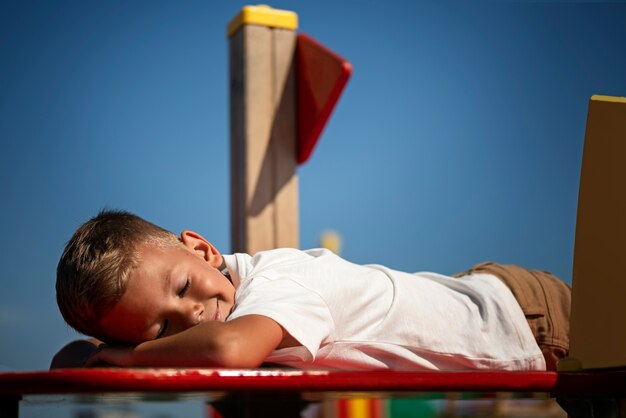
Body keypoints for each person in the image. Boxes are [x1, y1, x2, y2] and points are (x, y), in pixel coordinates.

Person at [53, 209, 571, 371]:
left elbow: (229, 352)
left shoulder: (277, 285)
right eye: (161, 326)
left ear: (204, 250)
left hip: (521, 315)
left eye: (184, 286)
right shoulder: (241, 307)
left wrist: (117, 358)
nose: (189, 314)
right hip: (480, 299)